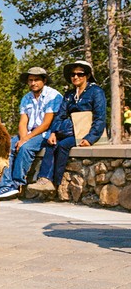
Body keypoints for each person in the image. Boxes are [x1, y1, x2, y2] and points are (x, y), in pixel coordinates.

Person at [29, 60, 107, 194]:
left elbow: (100, 117)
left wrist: (90, 138)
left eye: (80, 74)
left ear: (87, 76)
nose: (76, 77)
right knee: (50, 142)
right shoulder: (69, 95)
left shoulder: (96, 92)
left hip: (85, 133)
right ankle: (44, 179)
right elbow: (60, 115)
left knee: (63, 145)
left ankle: (55, 183)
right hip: (70, 131)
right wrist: (53, 133)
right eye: (73, 74)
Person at [0, 67, 62, 199]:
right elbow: (23, 122)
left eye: (36, 80)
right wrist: (23, 137)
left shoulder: (53, 96)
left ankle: (17, 183)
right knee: (5, 145)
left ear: (44, 80)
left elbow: (46, 123)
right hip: (30, 132)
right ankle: (5, 185)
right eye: (30, 80)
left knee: (25, 148)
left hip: (46, 132)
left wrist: (25, 140)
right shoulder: (26, 98)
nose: (33, 83)